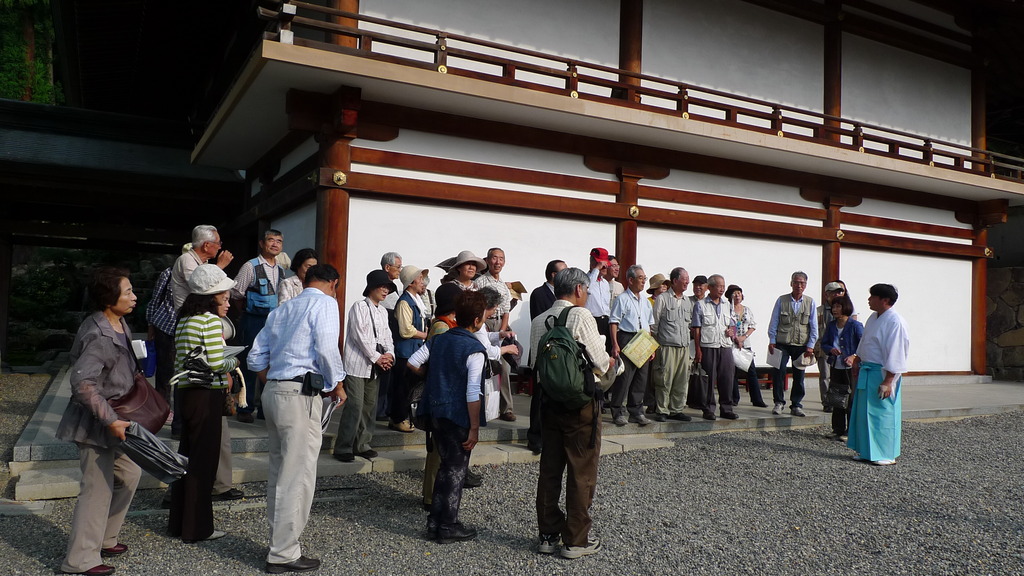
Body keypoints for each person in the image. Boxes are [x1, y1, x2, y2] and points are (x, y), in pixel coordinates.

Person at [247, 264, 348, 573]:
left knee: (280, 472)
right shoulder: (326, 302)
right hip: (300, 393)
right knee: (298, 475)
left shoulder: (282, 309)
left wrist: (275, 379)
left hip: (274, 391)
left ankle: (280, 546)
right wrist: (337, 384)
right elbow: (328, 347)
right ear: (333, 283)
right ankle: (283, 553)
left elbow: (254, 357)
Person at [55, 267, 143, 576]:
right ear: (109, 298)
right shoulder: (98, 333)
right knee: (97, 489)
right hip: (96, 423)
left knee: (130, 475)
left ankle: (104, 537)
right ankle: (80, 559)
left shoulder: (119, 323)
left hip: (116, 417)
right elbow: (82, 385)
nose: (134, 296)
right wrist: (110, 419)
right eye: (128, 292)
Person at [529, 267, 615, 559]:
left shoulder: (539, 320)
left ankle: (547, 534)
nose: (588, 295)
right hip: (581, 405)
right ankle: (576, 540)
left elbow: (533, 364)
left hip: (548, 403)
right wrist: (614, 363)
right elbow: (601, 363)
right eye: (587, 290)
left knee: (550, 470)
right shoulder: (582, 316)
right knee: (581, 471)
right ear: (578, 289)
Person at [168, 265, 238, 543]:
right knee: (204, 463)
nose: (228, 301)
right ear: (212, 296)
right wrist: (234, 361)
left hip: (186, 393)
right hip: (206, 395)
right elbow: (217, 362)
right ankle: (198, 528)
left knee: (188, 457)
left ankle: (179, 523)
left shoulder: (185, 318)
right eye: (225, 296)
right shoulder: (209, 321)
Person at [413, 291, 489, 543]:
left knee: (445, 466)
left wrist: (432, 375)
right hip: (458, 414)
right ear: (477, 321)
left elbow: (413, 362)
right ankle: (447, 525)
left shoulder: (441, 339)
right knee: (455, 470)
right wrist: (475, 427)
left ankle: (435, 522)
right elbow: (472, 392)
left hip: (435, 409)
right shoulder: (474, 349)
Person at [334, 270, 396, 462]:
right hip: (357, 364)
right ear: (371, 287)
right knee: (355, 405)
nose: (385, 291)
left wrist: (389, 355)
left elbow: (387, 337)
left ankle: (362, 444)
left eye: (387, 288)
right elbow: (359, 336)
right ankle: (343, 446)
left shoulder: (383, 311)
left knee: (369, 406)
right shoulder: (358, 307)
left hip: (375, 366)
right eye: (382, 286)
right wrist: (378, 357)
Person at [847, 284, 909, 466]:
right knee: (863, 412)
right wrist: (858, 359)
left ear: (885, 300)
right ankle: (866, 450)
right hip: (867, 369)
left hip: (882, 372)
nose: (869, 299)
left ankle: (885, 453)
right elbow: (866, 342)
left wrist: (889, 380)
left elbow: (897, 352)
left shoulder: (895, 322)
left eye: (873, 296)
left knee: (882, 413)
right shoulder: (873, 318)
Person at [231, 229, 286, 423]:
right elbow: (236, 293)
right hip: (253, 319)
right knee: (248, 362)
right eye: (271, 240)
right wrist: (244, 312)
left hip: (274, 323)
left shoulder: (281, 269)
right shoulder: (250, 266)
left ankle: (265, 408)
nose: (275, 244)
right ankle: (244, 407)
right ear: (262, 243)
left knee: (271, 362)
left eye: (279, 241)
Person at [527, 259, 568, 453]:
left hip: (559, 350)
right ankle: (534, 437)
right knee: (540, 394)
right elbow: (539, 319)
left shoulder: (564, 296)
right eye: (563, 271)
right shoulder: (539, 293)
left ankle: (551, 434)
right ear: (553, 274)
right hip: (543, 346)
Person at [473, 247, 518, 422]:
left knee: (503, 368)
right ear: (487, 260)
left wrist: (502, 331)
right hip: (484, 323)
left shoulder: (504, 286)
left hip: (500, 325)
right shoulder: (481, 282)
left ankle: (506, 408)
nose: (497, 262)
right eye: (494, 258)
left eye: (501, 259)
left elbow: (506, 311)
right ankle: (482, 407)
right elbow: (478, 307)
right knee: (483, 365)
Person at [608, 265, 655, 427]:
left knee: (641, 377)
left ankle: (636, 411)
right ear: (630, 280)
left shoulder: (645, 302)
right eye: (641, 278)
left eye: (644, 278)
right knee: (625, 377)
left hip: (643, 338)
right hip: (627, 337)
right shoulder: (622, 299)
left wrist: (650, 347)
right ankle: (617, 411)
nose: (643, 281)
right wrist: (615, 344)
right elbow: (614, 322)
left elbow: (649, 324)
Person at [767, 271, 818, 417]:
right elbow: (774, 321)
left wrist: (811, 344)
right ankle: (779, 402)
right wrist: (772, 340)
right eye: (796, 282)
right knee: (779, 371)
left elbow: (813, 325)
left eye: (802, 283)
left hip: (802, 344)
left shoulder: (810, 302)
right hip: (782, 342)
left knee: (799, 375)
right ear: (791, 283)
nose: (799, 285)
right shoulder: (782, 300)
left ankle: (796, 404)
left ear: (806, 285)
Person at [390, 265, 430, 433]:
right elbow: (405, 330)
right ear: (411, 282)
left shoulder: (416, 300)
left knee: (409, 387)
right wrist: (425, 335)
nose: (423, 282)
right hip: (405, 352)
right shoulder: (405, 302)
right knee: (401, 387)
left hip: (413, 351)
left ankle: (405, 417)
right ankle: (398, 419)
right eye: (420, 278)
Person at [692, 274, 738, 420]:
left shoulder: (727, 305)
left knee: (727, 378)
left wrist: (732, 331)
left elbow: (733, 324)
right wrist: (698, 349)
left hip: (725, 345)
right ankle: (708, 409)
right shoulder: (700, 305)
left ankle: (726, 408)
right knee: (709, 379)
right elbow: (697, 329)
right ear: (710, 287)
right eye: (719, 286)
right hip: (708, 345)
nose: (722, 289)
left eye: (723, 286)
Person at [651, 267, 694, 422]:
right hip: (667, 346)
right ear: (675, 281)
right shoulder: (662, 299)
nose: (687, 282)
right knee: (664, 379)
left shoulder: (687, 301)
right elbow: (654, 325)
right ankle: (662, 410)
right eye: (684, 279)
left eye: (688, 279)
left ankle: (676, 409)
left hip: (683, 347)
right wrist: (655, 347)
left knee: (682, 380)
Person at [821, 295, 863, 440]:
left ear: (846, 308)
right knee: (836, 397)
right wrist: (830, 349)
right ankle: (837, 429)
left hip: (851, 368)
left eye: (838, 306)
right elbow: (824, 343)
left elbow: (863, 345)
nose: (835, 309)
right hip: (835, 365)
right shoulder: (832, 325)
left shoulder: (855, 325)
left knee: (850, 398)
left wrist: (853, 356)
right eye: (833, 307)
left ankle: (850, 431)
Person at [171, 225, 234, 309]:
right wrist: (220, 266)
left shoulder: (203, 263)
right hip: (189, 316)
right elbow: (200, 285)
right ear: (206, 245)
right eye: (218, 243)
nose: (220, 247)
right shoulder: (187, 259)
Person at [726, 285, 767, 408]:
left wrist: (743, 338)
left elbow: (752, 325)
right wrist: (735, 339)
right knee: (732, 373)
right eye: (734, 293)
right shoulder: (727, 309)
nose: (737, 295)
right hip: (731, 344)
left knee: (751, 372)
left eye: (739, 293)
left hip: (745, 344)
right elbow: (726, 325)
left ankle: (757, 399)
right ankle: (734, 398)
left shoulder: (747, 310)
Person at [815, 281, 847, 413]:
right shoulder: (819, 311)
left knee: (840, 376)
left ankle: (840, 401)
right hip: (824, 347)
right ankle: (827, 402)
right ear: (827, 294)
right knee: (825, 375)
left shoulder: (846, 309)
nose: (837, 294)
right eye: (834, 292)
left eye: (839, 292)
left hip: (841, 349)